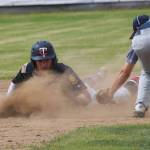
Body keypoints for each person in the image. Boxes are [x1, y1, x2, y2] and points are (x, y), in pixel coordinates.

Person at [7, 40, 93, 106]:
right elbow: (14, 84)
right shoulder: (27, 69)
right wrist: (8, 100)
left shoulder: (64, 71)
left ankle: (97, 82)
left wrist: (72, 102)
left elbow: (85, 95)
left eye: (47, 60)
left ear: (53, 59)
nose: (44, 64)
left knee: (89, 83)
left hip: (73, 91)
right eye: (40, 61)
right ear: (34, 61)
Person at [96, 15, 150, 118]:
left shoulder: (137, 38)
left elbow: (125, 72)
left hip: (140, 42)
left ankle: (140, 106)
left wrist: (110, 93)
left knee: (147, 73)